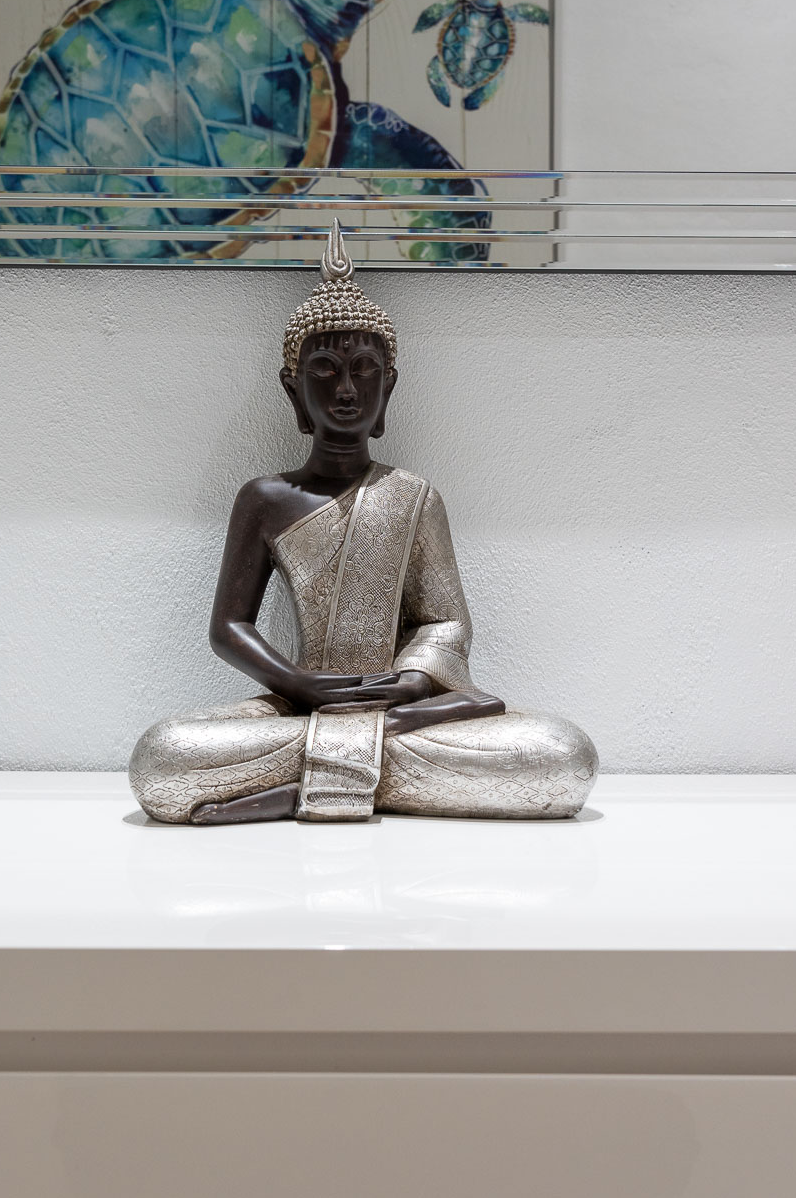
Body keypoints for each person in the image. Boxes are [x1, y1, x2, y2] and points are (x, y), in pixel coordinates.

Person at [129, 221, 597, 824]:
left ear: (388, 386)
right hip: (303, 707)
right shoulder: (266, 498)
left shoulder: (414, 497)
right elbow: (229, 627)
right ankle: (364, 776)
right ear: (293, 391)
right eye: (325, 370)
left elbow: (446, 621)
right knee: (163, 758)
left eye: (365, 370)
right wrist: (298, 684)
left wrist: (412, 683)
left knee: (560, 753)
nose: (347, 389)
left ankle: (306, 785)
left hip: (399, 708)